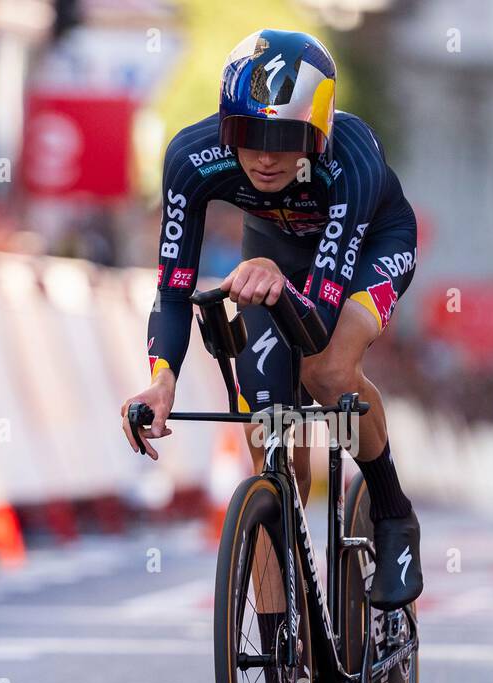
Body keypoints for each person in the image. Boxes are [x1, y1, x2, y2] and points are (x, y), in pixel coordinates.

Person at [120, 28, 423, 613]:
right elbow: (173, 289)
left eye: (283, 139)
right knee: (267, 425)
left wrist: (272, 277)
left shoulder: (351, 160)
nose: (262, 156)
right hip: (276, 248)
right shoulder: (191, 157)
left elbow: (315, 322)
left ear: (317, 132)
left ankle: (393, 513)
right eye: (246, 135)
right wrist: (162, 379)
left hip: (366, 250)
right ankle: (285, 656)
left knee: (327, 373)